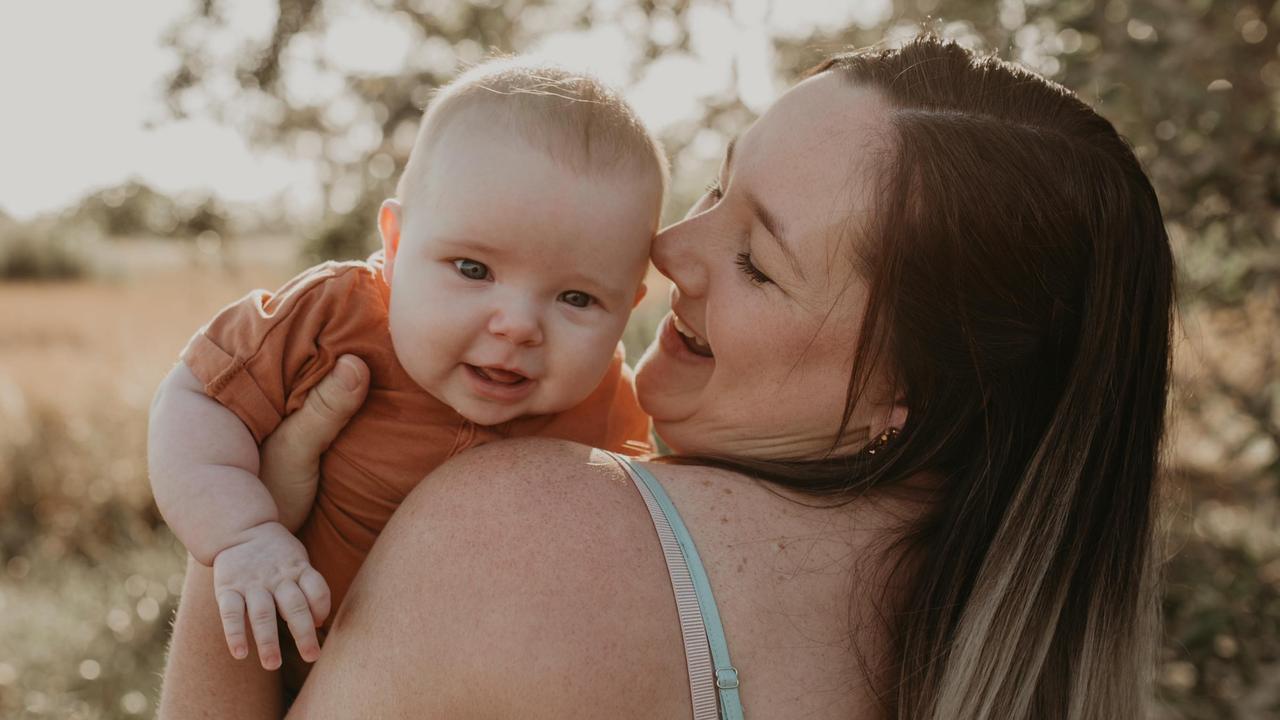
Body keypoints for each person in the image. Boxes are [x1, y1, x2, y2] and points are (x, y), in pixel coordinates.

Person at [158, 34, 1174, 720]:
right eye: (718, 188)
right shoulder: (1008, 650)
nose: (668, 250)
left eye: (755, 261)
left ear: (902, 395)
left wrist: (238, 549)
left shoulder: (524, 530)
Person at [147, 57, 665, 682]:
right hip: (284, 650)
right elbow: (197, 397)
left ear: (628, 306)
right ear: (393, 245)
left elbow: (636, 542)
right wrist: (242, 531)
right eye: (473, 269)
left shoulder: (610, 405)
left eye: (577, 299)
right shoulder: (333, 317)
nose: (519, 325)